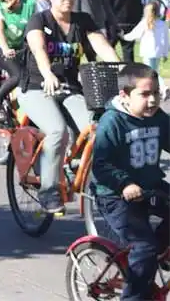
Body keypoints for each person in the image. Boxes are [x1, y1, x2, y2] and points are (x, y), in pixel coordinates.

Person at [20, 0, 120, 212]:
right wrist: (47, 73)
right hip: (36, 87)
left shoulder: (82, 21)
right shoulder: (39, 21)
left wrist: (123, 69)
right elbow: (39, 49)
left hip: (69, 88)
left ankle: (80, 167)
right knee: (57, 130)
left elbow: (102, 46)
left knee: (96, 127)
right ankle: (48, 190)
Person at [92, 63, 169, 301]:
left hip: (151, 187)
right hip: (116, 196)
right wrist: (125, 184)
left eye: (156, 92)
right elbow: (101, 165)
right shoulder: (112, 122)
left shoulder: (158, 117)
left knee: (153, 247)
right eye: (145, 94)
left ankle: (159, 254)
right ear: (124, 95)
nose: (153, 100)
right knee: (144, 246)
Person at [123, 1, 169, 73]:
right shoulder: (162, 24)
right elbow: (166, 40)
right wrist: (165, 53)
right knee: (154, 71)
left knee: (151, 73)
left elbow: (134, 34)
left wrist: (123, 37)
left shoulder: (144, 23)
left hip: (147, 52)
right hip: (158, 53)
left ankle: (159, 83)